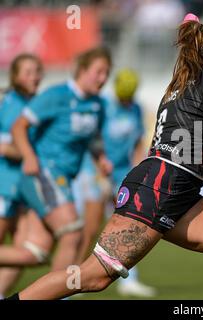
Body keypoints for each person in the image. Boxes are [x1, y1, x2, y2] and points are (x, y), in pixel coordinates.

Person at [7, 13, 203, 300]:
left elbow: (200, 145)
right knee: (93, 276)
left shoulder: (183, 83)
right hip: (162, 188)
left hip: (172, 188)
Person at [2, 48, 112, 277]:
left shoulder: (98, 105)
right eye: (98, 72)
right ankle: (59, 292)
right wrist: (30, 157)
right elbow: (18, 127)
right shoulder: (56, 95)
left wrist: (101, 158)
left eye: (107, 73)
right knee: (73, 233)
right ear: (82, 70)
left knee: (35, 253)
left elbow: (93, 140)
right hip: (42, 173)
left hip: (63, 180)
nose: (103, 79)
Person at [73, 68, 156, 297]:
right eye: (124, 96)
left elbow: (138, 140)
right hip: (97, 172)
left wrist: (139, 168)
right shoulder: (104, 107)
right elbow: (91, 140)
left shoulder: (137, 109)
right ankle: (72, 280)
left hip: (123, 174)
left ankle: (130, 280)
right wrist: (99, 167)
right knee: (90, 229)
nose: (126, 100)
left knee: (129, 224)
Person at [0, 54, 52, 298]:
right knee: (27, 253)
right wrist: (34, 156)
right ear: (16, 76)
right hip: (5, 187)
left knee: (29, 253)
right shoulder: (13, 105)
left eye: (37, 71)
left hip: (21, 189)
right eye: (28, 72)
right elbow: (6, 147)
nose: (35, 76)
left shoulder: (33, 103)